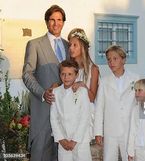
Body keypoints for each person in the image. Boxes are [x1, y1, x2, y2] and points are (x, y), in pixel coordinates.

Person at [22, 5, 69, 161]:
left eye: (59, 20)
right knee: (40, 153)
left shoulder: (69, 45)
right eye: (52, 20)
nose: (56, 24)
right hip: (43, 110)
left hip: (65, 112)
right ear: (46, 22)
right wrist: (43, 93)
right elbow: (27, 74)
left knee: (62, 155)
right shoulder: (34, 44)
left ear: (63, 22)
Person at [94, 45, 139, 161]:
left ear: (123, 60)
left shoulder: (135, 79)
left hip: (129, 130)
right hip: (110, 130)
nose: (111, 62)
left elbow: (139, 104)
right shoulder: (104, 82)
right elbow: (99, 108)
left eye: (115, 59)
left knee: (130, 157)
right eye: (109, 59)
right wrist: (98, 132)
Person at [50, 60, 92, 161]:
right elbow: (54, 118)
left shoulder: (82, 91)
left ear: (76, 75)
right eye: (63, 74)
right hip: (63, 139)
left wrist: (74, 140)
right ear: (60, 75)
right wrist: (61, 139)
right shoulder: (56, 92)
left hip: (80, 140)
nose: (66, 77)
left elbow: (84, 117)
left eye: (70, 74)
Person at [67, 28, 100, 140]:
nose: (71, 48)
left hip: (86, 115)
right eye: (70, 45)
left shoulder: (93, 69)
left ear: (83, 47)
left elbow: (92, 98)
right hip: (70, 114)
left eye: (75, 45)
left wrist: (83, 86)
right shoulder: (68, 69)